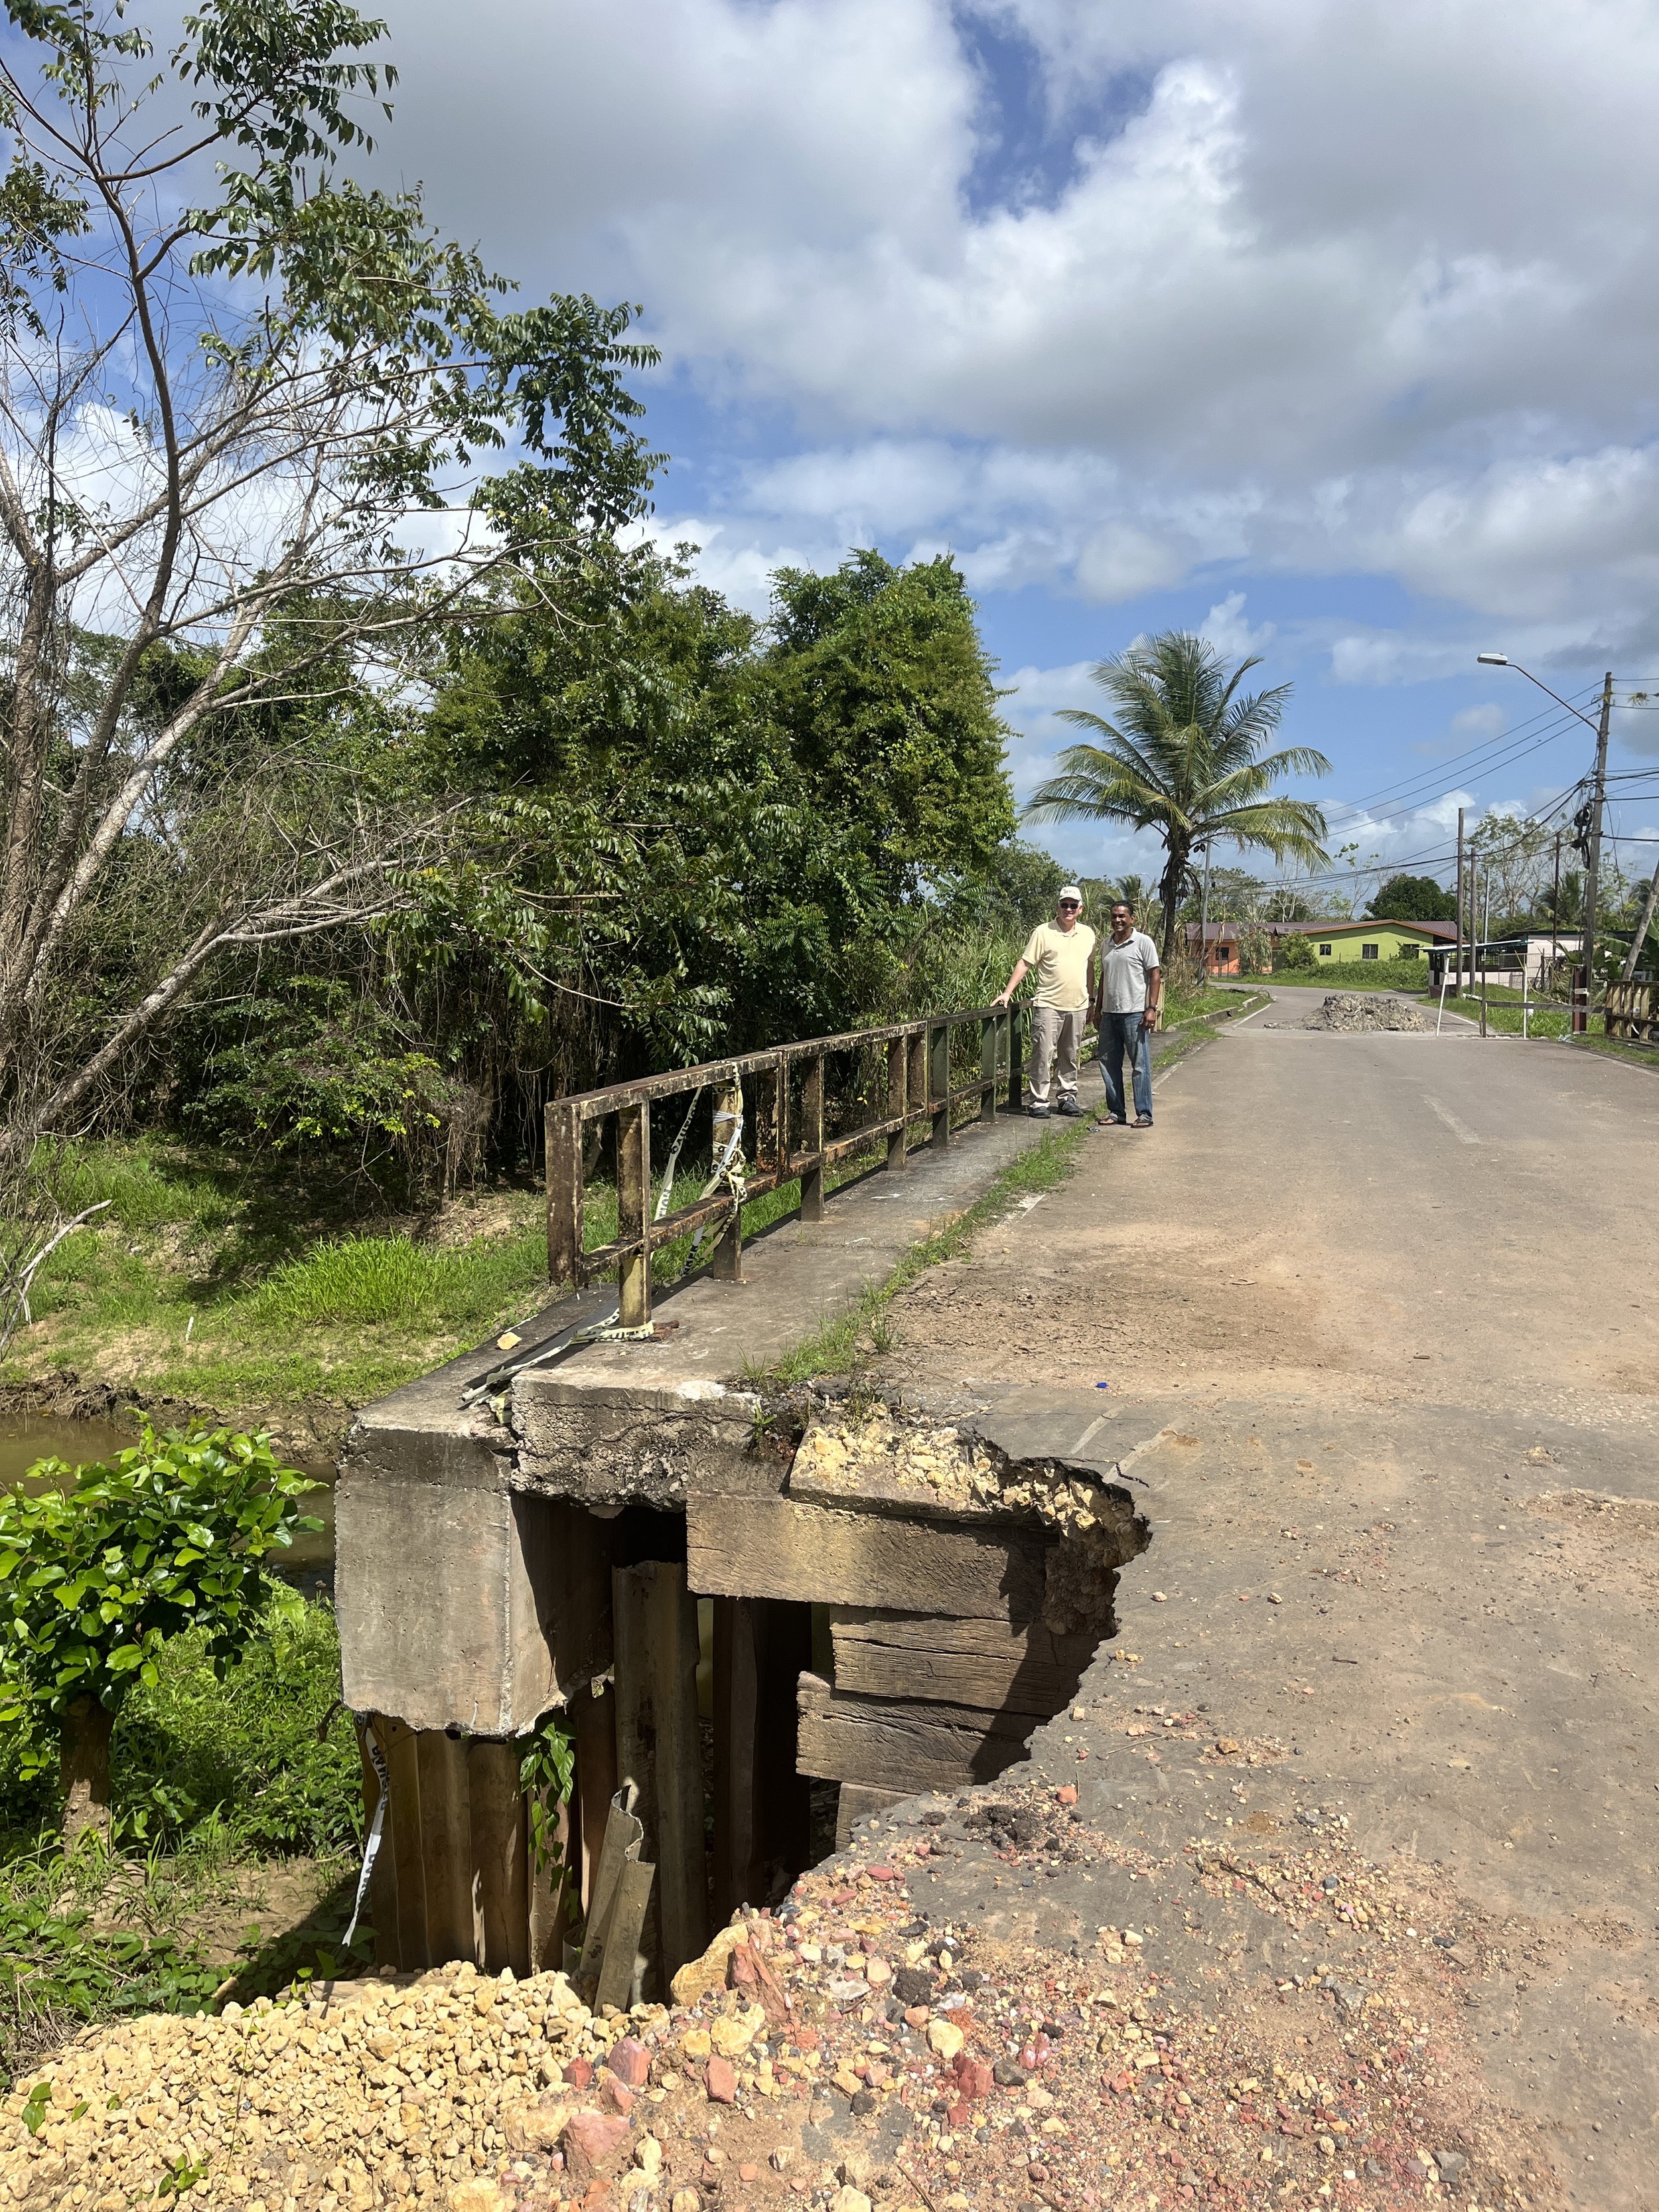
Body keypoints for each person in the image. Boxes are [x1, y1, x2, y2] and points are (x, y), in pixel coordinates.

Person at [995, 886, 1097, 1118]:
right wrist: (1008, 992)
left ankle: (1067, 1097)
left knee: (1071, 1055)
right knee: (1043, 1054)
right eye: (1065, 905)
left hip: (1078, 1005)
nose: (1068, 909)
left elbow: (1089, 967)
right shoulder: (1043, 932)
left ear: (1081, 909)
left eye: (1073, 905)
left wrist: (1091, 1000)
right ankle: (1039, 1101)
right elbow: (1025, 963)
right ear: (1058, 907)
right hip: (1049, 1004)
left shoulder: (1088, 934)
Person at [1093, 899, 1161, 1128]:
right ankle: (1116, 1112)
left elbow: (1155, 975)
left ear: (1132, 918)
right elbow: (1104, 977)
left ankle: (1144, 1113)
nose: (1117, 920)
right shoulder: (1107, 944)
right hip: (1110, 1015)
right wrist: (1098, 1009)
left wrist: (1151, 1008)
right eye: (1114, 916)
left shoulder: (1143, 942)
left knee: (1139, 1066)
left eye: (1122, 916)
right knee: (1108, 1064)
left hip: (1135, 1014)